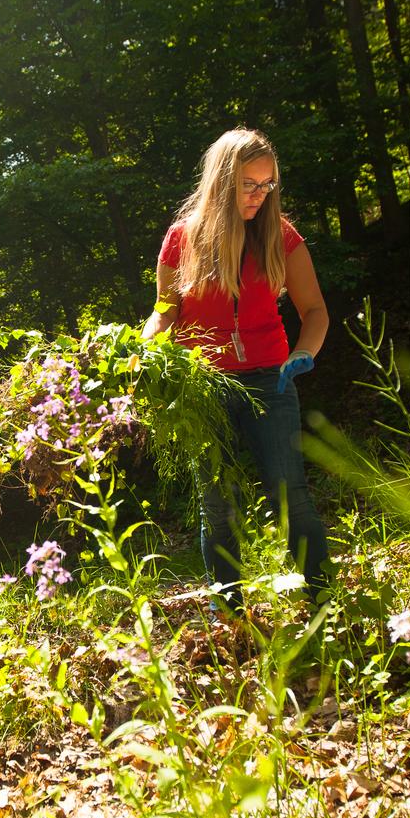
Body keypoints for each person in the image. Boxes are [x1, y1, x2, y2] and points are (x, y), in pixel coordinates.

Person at [141, 128, 330, 615]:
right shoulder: (182, 240)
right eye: (249, 184)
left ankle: (326, 606)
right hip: (202, 387)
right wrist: (142, 352)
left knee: (292, 497)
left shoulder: (280, 235)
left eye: (267, 185)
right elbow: (165, 311)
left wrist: (302, 355)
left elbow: (315, 313)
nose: (259, 195)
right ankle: (229, 618)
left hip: (272, 380)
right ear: (222, 181)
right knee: (220, 510)